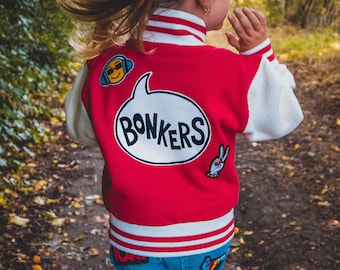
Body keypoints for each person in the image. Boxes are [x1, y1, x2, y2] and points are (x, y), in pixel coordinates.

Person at [57, 0, 303, 269]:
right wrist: (261, 53)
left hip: (133, 240)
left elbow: (81, 130)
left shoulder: (104, 66)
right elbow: (283, 116)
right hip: (206, 239)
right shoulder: (233, 71)